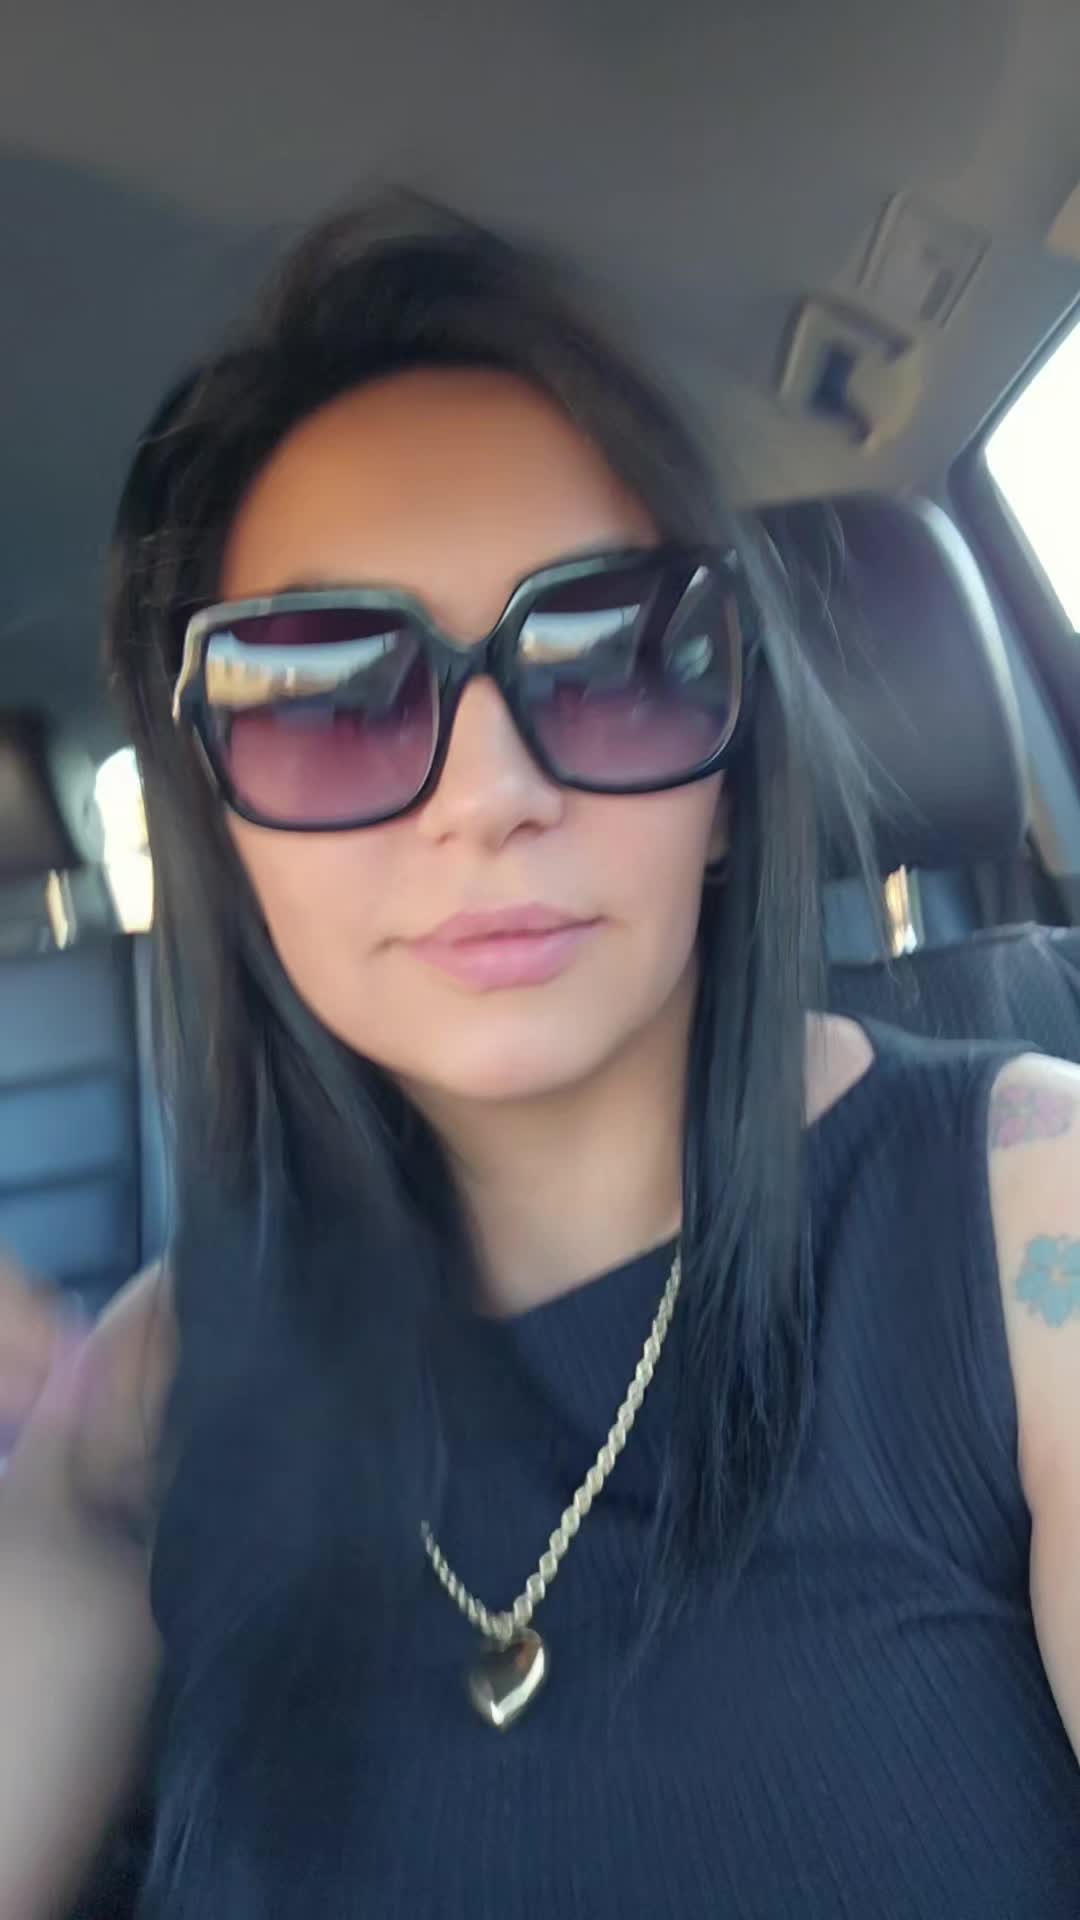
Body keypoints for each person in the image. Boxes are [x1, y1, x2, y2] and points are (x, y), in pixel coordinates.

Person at [0, 195, 1077, 1920]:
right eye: (326, 695)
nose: (489, 793)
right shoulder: (163, 1374)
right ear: (224, 826)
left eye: (615, 659)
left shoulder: (1032, 1225)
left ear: (730, 766)